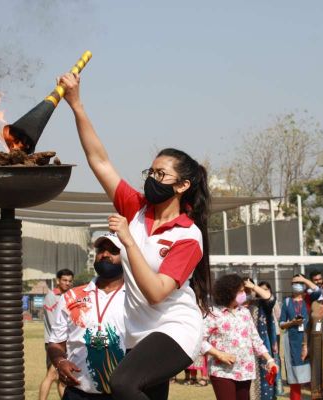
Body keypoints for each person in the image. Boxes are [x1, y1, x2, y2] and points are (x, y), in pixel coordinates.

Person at [60, 70, 212, 400]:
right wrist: (76, 104)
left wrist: (128, 241)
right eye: (150, 172)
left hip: (175, 329)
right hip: (137, 334)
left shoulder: (188, 236)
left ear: (183, 185)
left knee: (123, 384)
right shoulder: (137, 208)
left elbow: (156, 293)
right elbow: (99, 161)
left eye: (161, 174)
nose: (152, 179)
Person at [47, 233, 126, 400]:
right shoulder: (71, 297)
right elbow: (56, 342)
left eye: (113, 251)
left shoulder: (136, 297)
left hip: (122, 394)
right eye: (101, 250)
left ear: (126, 256)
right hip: (78, 392)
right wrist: (60, 362)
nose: (105, 254)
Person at [201, 274, 278, 400]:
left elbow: (255, 340)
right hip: (221, 371)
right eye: (241, 291)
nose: (244, 294)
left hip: (245, 370)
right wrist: (219, 354)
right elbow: (200, 341)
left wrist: (269, 360)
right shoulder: (213, 313)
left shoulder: (245, 312)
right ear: (229, 293)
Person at [39, 268, 74, 400]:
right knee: (51, 375)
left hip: (65, 343)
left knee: (62, 378)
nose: (67, 283)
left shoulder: (68, 296)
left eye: (70, 281)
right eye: (64, 280)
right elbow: (55, 323)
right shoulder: (52, 297)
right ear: (58, 281)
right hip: (55, 343)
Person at [246, 280, 281, 400]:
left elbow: (270, 298)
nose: (247, 292)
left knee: (264, 384)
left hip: (262, 350)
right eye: (243, 290)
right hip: (243, 352)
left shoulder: (262, 304)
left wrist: (253, 286)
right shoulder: (235, 306)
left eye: (250, 289)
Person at [280, 277, 311, 400]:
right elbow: (281, 324)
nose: (296, 285)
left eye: (299, 283)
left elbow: (318, 319)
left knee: (312, 372)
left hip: (310, 339)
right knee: (294, 374)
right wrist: (292, 323)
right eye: (294, 283)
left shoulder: (309, 300)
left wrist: (317, 332)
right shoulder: (287, 302)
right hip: (292, 340)